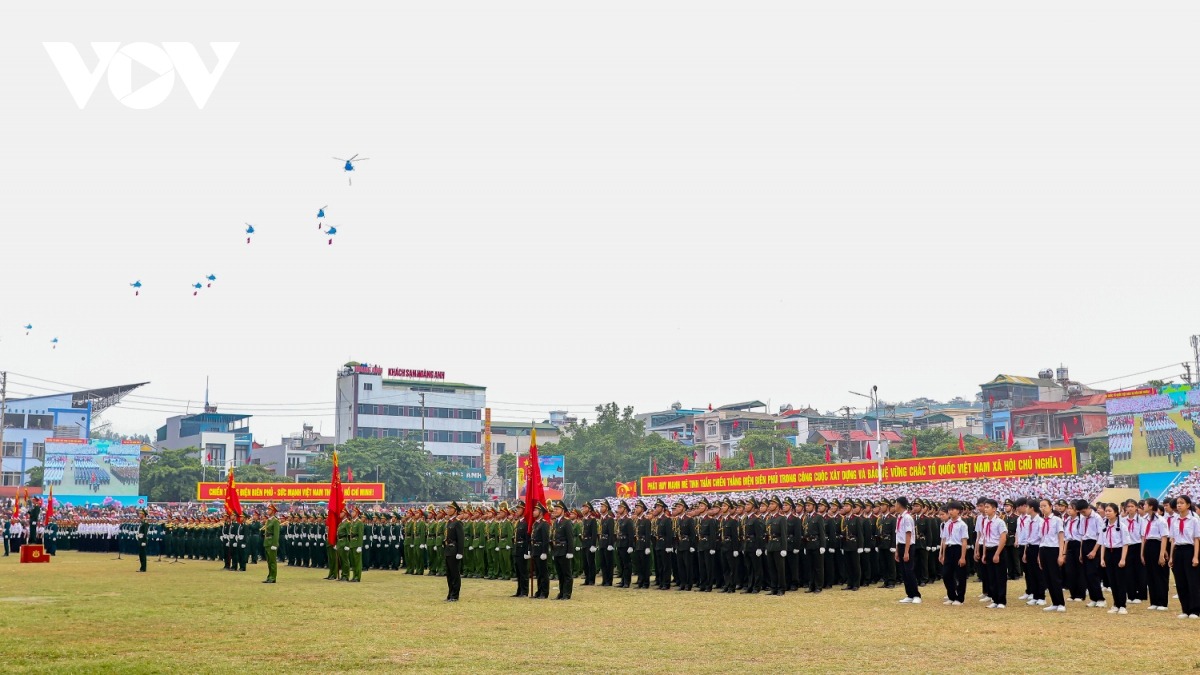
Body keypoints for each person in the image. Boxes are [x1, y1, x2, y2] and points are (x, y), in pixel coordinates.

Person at [1168, 495, 1200, 619]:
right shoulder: (1174, 520)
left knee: (1192, 582)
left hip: (1190, 550)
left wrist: (1196, 556)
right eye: (1177, 503)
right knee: (1180, 582)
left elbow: (1197, 539)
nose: (1179, 505)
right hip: (1178, 550)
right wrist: (1171, 557)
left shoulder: (1194, 520)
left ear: (1188, 505)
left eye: (1181, 503)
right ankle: (1185, 609)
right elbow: (1173, 540)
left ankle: (1195, 610)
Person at [1036, 498, 1067, 612]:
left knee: (1055, 577)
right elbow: (1041, 539)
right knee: (1047, 577)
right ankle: (1054, 602)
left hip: (1053, 549)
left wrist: (1061, 554)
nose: (1042, 508)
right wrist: (1039, 556)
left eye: (1045, 506)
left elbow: (1061, 537)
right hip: (1043, 549)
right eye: (1041, 506)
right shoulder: (1042, 521)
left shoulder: (1056, 520)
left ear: (1050, 506)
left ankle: (1061, 603)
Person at [1099, 502, 1129, 614]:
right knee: (1112, 581)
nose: (1107, 513)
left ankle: (1122, 605)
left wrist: (1123, 559)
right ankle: (1116, 604)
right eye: (1106, 511)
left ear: (1116, 512)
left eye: (1110, 511)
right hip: (1108, 553)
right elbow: (1102, 543)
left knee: (1120, 580)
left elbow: (1125, 543)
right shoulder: (1104, 526)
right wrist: (1102, 559)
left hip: (1118, 552)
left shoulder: (1122, 526)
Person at [1141, 498, 1170, 611]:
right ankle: (1154, 601)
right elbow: (1143, 537)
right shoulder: (1144, 519)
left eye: (1145, 504)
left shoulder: (1161, 520)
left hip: (1157, 545)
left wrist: (1162, 554)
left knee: (1160, 575)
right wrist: (1142, 553)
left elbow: (1164, 537)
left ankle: (1162, 602)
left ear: (1151, 506)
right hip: (1148, 546)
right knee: (1150, 574)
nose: (1143, 506)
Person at [979, 498, 1007, 609]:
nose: (985, 509)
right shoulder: (986, 521)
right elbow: (985, 538)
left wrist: (997, 553)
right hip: (989, 549)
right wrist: (984, 554)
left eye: (987, 507)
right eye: (984, 507)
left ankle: (1001, 601)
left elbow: (1003, 538)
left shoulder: (1000, 522)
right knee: (991, 576)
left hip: (997, 549)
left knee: (1000, 576)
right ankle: (994, 599)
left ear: (994, 509)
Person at [939, 501, 968, 605]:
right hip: (949, 549)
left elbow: (964, 541)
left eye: (953, 509)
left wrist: (963, 556)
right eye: (949, 510)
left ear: (958, 511)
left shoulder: (962, 525)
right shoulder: (946, 524)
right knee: (946, 574)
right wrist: (942, 553)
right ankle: (951, 596)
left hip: (958, 549)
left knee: (960, 575)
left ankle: (960, 598)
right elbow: (944, 539)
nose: (950, 512)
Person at [895, 496, 921, 604]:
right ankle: (909, 594)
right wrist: (897, 551)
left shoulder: (907, 518)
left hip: (908, 546)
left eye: (895, 504)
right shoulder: (899, 517)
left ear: (900, 505)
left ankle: (916, 595)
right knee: (904, 572)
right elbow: (898, 534)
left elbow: (908, 534)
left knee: (909, 571)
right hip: (900, 545)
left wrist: (906, 551)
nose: (894, 506)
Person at [551, 500, 575, 600]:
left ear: (563, 510)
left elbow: (570, 538)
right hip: (557, 550)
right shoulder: (556, 522)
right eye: (554, 509)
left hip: (564, 551)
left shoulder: (567, 522)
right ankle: (561, 592)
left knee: (567, 574)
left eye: (557, 509)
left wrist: (570, 552)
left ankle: (567, 594)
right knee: (560, 574)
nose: (555, 511)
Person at [764, 495, 788, 596]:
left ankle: (781, 588)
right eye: (770, 504)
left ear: (777, 506)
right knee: (771, 568)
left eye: (772, 504)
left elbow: (783, 534)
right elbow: (766, 534)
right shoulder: (769, 518)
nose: (770, 505)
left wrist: (784, 548)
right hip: (770, 545)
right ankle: (773, 588)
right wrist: (766, 546)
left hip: (778, 545)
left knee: (780, 569)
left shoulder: (781, 518)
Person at [443, 501, 465, 601]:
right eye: (447, 508)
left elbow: (461, 539)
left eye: (450, 508)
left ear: (455, 510)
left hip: (454, 550)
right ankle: (450, 593)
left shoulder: (458, 523)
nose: (448, 510)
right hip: (448, 549)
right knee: (449, 574)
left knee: (455, 573)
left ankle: (455, 595)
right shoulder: (449, 522)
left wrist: (460, 552)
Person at [530, 502, 551, 599]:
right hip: (535, 550)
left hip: (541, 550)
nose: (533, 512)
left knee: (543, 573)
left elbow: (545, 539)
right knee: (538, 573)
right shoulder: (535, 524)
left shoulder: (544, 524)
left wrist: (544, 552)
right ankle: (539, 591)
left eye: (535, 510)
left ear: (541, 512)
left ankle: (544, 592)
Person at [263, 503, 280, 584]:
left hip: (271, 543)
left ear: (273, 511)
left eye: (269, 510)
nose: (268, 511)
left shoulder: (275, 521)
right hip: (267, 542)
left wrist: (274, 544)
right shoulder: (269, 520)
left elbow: (276, 534)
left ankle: (273, 577)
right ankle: (269, 576)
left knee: (272, 561)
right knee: (269, 561)